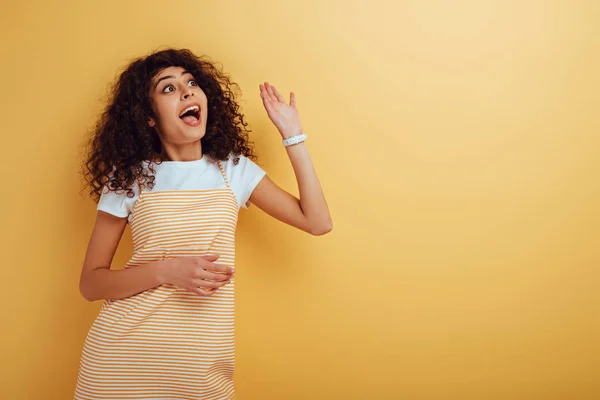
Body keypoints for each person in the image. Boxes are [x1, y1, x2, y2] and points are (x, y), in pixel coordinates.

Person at [74, 47, 332, 399]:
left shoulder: (233, 171)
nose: (187, 92)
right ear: (148, 116)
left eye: (191, 82)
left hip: (201, 373)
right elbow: (91, 284)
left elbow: (317, 222)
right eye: (168, 88)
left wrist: (293, 134)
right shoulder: (131, 178)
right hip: (120, 364)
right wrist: (167, 271)